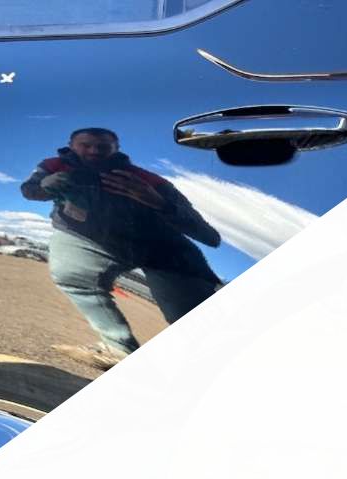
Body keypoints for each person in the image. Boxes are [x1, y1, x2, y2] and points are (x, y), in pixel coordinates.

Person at [21, 128, 222, 369]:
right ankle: (118, 349)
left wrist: (158, 202)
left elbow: (209, 236)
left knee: (196, 321)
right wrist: (46, 186)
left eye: (102, 147)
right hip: (87, 236)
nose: (94, 151)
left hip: (164, 249)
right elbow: (29, 190)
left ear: (116, 150)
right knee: (71, 274)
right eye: (86, 145)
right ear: (71, 146)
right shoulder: (54, 166)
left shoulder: (148, 181)